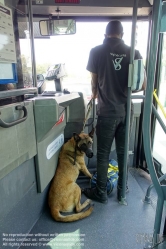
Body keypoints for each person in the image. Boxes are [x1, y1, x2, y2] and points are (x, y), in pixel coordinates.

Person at [82, 20, 147, 204]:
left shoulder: (96, 51)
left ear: (105, 35)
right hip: (126, 111)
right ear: (122, 35)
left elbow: (94, 82)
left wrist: (95, 93)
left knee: (103, 155)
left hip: (107, 111)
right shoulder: (133, 52)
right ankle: (122, 192)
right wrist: (124, 90)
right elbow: (142, 85)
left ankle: (100, 193)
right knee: (122, 153)